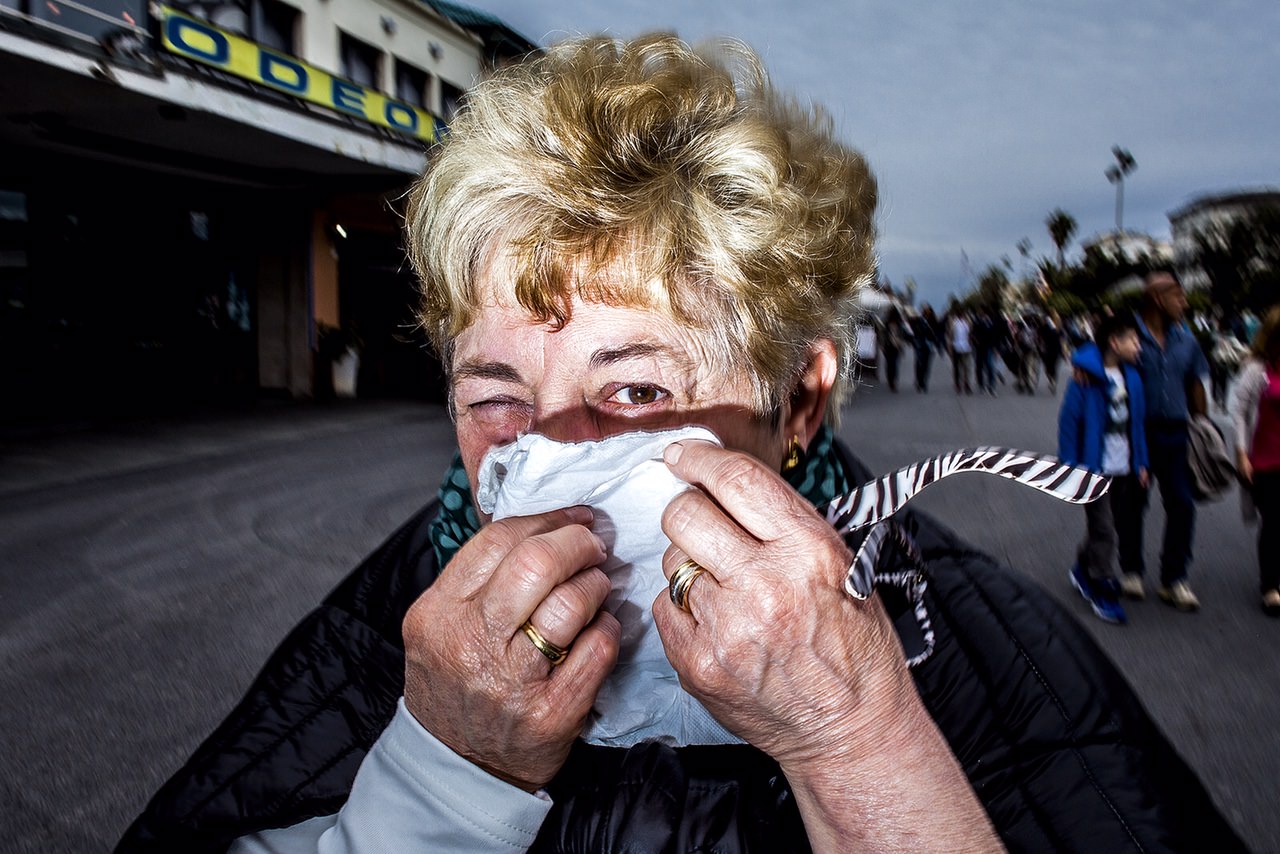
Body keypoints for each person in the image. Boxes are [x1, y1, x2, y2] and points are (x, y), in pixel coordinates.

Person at [118, 35, 1244, 853]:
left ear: (798, 401)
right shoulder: (398, 616)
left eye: (635, 385)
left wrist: (852, 740)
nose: (551, 444)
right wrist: (444, 771)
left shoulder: (971, 637)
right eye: (495, 390)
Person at [1127, 270, 1211, 610]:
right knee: (1133, 504)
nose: (1185, 302)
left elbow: (1196, 380)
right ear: (1159, 299)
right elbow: (1096, 355)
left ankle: (1174, 578)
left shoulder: (1187, 339)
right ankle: (1131, 570)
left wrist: (1202, 424)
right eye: (1179, 295)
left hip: (1176, 433)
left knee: (1182, 504)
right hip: (1139, 435)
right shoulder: (1128, 332)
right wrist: (1083, 366)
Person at [1058, 315, 1149, 624]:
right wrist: (1070, 466)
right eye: (1133, 340)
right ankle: (1102, 586)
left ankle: (1082, 568)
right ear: (1114, 343)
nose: (1139, 346)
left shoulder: (1133, 377)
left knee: (1106, 526)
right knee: (1105, 530)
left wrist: (1142, 463)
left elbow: (1138, 426)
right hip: (1093, 467)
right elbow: (1069, 423)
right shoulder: (1085, 378)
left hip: (1124, 467)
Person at [1229, 306, 1280, 616]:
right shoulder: (1257, 369)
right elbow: (1238, 411)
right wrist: (1241, 454)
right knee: (1274, 522)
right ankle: (1270, 586)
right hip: (1264, 461)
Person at [910, 303, 941, 392]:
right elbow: (913, 329)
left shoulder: (933, 320)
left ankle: (924, 382)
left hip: (929, 344)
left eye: (928, 309)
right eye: (925, 309)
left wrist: (936, 343)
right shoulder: (919, 320)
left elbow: (936, 332)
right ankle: (919, 381)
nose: (927, 311)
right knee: (919, 363)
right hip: (919, 344)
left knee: (926, 365)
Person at [880, 306, 908, 392]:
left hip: (888, 346)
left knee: (889, 363)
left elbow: (883, 335)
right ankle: (893, 381)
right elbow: (903, 336)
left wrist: (882, 345)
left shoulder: (886, 323)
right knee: (895, 364)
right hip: (896, 346)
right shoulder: (900, 324)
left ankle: (890, 379)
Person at [948, 308, 973, 393]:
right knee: (957, 368)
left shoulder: (967, 323)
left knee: (967, 367)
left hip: (966, 347)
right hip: (957, 347)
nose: (963, 316)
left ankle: (967, 384)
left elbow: (971, 333)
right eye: (961, 314)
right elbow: (950, 336)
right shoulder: (954, 323)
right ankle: (957, 384)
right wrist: (950, 348)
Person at [1040, 313, 1066, 394]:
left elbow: (1041, 338)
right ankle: (1053, 382)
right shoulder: (1059, 329)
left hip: (1049, 349)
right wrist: (1064, 351)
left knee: (1048, 367)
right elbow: (1062, 341)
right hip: (1057, 350)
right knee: (1053, 367)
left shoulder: (1047, 327)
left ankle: (1052, 381)